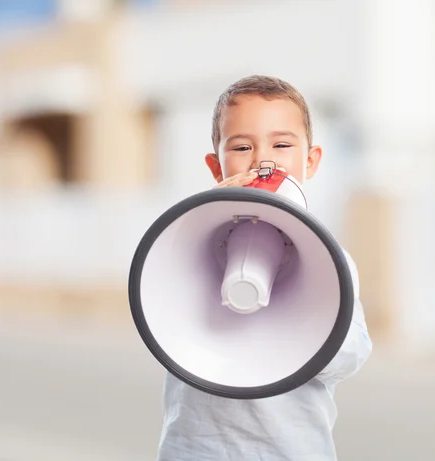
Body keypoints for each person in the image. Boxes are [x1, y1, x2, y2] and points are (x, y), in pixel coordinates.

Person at [156, 75, 373, 461]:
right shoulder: (186, 241)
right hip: (193, 449)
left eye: (282, 144)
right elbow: (161, 306)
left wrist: (307, 319)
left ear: (310, 160)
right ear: (216, 166)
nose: (262, 160)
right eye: (241, 146)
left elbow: (352, 353)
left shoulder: (330, 258)